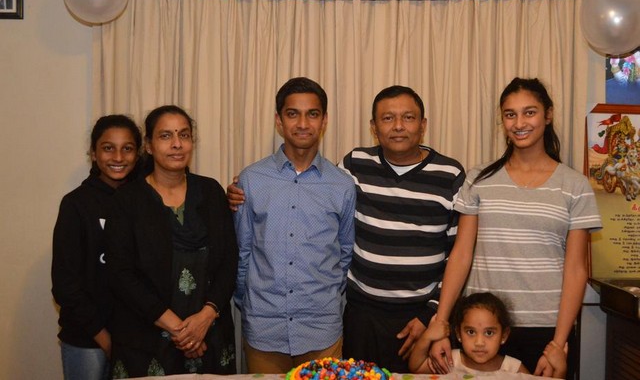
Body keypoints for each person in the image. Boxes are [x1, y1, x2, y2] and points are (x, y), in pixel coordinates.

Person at [228, 85, 465, 373]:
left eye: (408, 117)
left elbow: (457, 255)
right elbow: (243, 251)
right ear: (374, 127)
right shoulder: (352, 166)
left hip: (406, 319)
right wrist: (238, 193)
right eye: (388, 118)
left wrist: (434, 316)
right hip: (346, 318)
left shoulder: (449, 174)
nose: (398, 126)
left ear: (423, 124)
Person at [427, 78, 602, 378]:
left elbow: (576, 270)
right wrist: (441, 324)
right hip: (481, 328)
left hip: (546, 330)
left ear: (548, 115)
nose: (519, 123)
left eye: (529, 112)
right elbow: (461, 255)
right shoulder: (479, 179)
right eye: (510, 114)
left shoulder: (575, 185)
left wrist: (559, 343)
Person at [233, 77, 356, 373]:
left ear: (324, 121)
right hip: (264, 327)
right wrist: (250, 303)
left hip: (321, 327)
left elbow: (345, 253)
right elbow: (243, 251)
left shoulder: (342, 185)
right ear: (279, 121)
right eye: (293, 114)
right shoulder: (251, 179)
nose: (303, 123)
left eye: (312, 114)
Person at [105, 105, 238, 377]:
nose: (177, 144)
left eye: (184, 135)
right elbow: (121, 274)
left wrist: (204, 319)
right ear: (149, 146)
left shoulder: (211, 192)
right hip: (146, 340)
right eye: (166, 136)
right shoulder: (127, 200)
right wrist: (182, 331)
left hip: (210, 334)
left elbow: (229, 261)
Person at [52, 114, 142, 380]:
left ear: (138, 154)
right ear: (93, 153)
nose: (118, 157)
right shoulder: (76, 204)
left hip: (136, 337)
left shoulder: (144, 201)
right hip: (87, 338)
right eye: (108, 148)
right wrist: (103, 337)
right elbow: (65, 284)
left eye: (127, 148)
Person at [409, 292, 533, 375]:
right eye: (471, 332)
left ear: (504, 336)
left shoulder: (513, 368)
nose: (479, 342)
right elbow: (417, 367)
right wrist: (426, 337)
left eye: (489, 333)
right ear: (458, 334)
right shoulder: (451, 361)